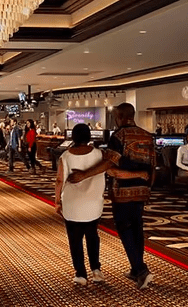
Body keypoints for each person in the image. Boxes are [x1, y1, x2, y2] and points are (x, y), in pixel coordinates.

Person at [68, 102, 156, 290]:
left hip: (123, 191)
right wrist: (147, 184)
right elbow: (152, 166)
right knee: (137, 229)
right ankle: (135, 269)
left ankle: (141, 270)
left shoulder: (119, 136)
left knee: (125, 229)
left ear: (121, 117)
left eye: (116, 116)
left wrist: (83, 175)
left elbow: (109, 165)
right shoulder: (148, 136)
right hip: (142, 191)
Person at [55, 124, 113, 285]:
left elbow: (60, 179)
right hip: (94, 203)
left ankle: (80, 273)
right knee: (92, 236)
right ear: (89, 137)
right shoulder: (100, 154)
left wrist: (57, 201)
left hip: (72, 203)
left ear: (73, 137)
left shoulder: (66, 156)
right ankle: (96, 270)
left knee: (75, 239)